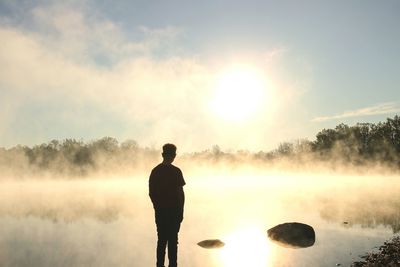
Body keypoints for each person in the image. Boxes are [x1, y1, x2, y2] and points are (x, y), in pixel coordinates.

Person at [149, 143, 185, 267]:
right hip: (174, 213)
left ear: (163, 154)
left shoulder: (155, 171)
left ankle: (159, 265)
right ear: (174, 155)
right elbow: (181, 194)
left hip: (160, 213)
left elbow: (151, 193)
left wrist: (157, 207)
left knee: (161, 241)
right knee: (173, 242)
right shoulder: (176, 171)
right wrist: (181, 212)